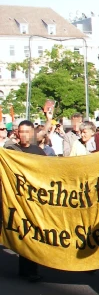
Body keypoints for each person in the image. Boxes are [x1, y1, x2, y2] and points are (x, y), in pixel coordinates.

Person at [7, 121, 47, 282]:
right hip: (17, 199)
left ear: (32, 133)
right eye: (21, 132)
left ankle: (31, 269)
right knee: (23, 233)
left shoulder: (38, 151)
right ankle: (26, 270)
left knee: (32, 233)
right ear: (17, 133)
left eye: (26, 132)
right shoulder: (10, 152)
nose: (23, 135)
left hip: (34, 200)